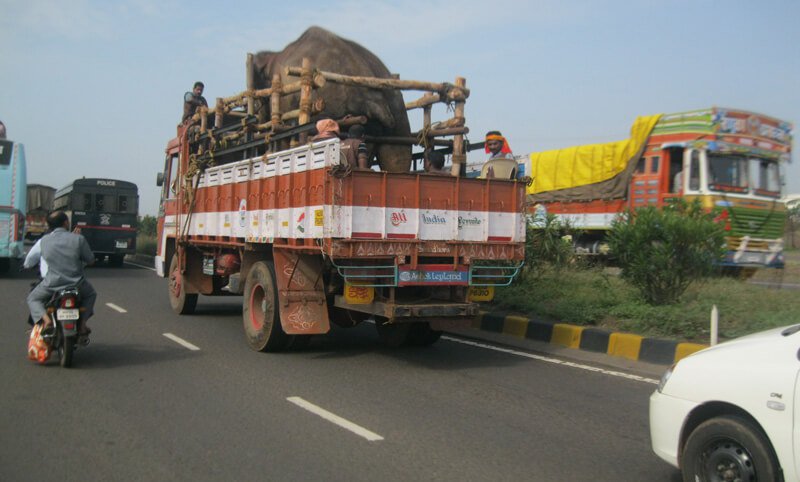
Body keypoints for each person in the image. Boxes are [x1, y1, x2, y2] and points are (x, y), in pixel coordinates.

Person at [24, 211, 96, 337]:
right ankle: (83, 324)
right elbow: (90, 260)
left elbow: (31, 261)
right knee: (91, 294)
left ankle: (46, 321)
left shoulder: (44, 241)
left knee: (33, 298)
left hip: (52, 284)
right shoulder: (78, 239)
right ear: (66, 223)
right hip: (76, 284)